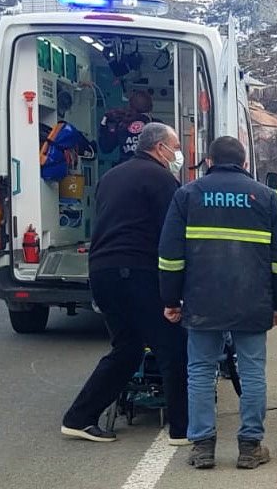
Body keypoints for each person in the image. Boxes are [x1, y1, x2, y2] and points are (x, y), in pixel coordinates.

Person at [159, 136, 277, 470]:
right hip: (253, 300)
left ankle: (202, 446)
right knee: (252, 371)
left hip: (201, 300)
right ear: (245, 163)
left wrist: (170, 298)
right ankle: (250, 446)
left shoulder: (187, 195)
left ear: (208, 161)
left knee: (201, 371)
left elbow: (170, 256)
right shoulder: (267, 198)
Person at [61, 122, 187, 444]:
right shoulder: (161, 179)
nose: (177, 154)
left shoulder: (111, 176)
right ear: (160, 148)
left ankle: (79, 417)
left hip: (102, 272)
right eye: (174, 147)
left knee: (128, 349)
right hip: (136, 271)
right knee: (172, 347)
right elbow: (171, 232)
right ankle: (181, 429)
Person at [98, 89, 156, 164]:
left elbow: (106, 148)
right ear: (151, 107)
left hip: (126, 169)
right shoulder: (157, 126)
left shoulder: (122, 125)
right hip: (150, 168)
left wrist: (104, 125)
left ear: (130, 106)